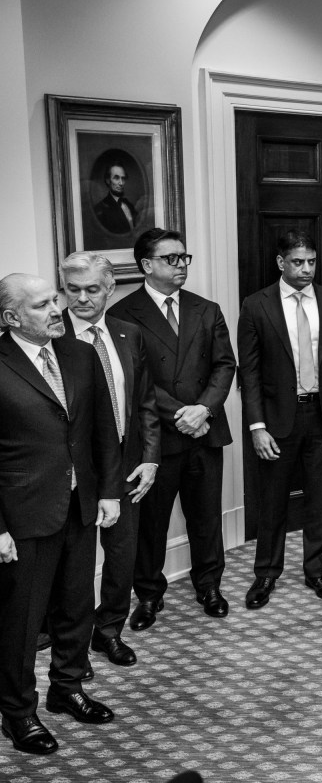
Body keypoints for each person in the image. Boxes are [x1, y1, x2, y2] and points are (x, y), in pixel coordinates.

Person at [0, 273, 122, 755]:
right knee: (22, 621)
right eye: (42, 305)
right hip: (22, 514)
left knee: (76, 606)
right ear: (12, 318)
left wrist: (109, 491)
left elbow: (102, 429)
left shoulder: (77, 353)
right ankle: (18, 713)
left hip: (80, 504)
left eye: (56, 299)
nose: (58, 309)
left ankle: (67, 689)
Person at [108, 228, 237, 627]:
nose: (181, 265)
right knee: (152, 522)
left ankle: (209, 585)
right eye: (171, 259)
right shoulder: (122, 314)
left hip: (205, 431)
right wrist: (183, 413)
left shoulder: (206, 308)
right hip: (156, 438)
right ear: (147, 265)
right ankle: (148, 595)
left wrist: (203, 409)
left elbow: (224, 365)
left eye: (184, 258)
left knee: (206, 517)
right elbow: (135, 380)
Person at [238, 231, 322, 609]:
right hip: (276, 421)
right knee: (272, 501)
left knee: (320, 499)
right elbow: (250, 373)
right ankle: (266, 575)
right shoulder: (256, 306)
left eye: (311, 262)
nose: (306, 269)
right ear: (281, 263)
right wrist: (256, 426)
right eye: (298, 262)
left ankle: (317, 571)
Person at [59, 252, 160, 670]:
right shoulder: (52, 335)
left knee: (122, 559)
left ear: (110, 289)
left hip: (127, 464)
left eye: (91, 289)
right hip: (74, 473)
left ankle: (109, 632)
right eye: (72, 289)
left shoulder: (127, 333)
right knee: (75, 568)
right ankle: (72, 645)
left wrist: (151, 458)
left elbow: (146, 403)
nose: (81, 298)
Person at [92, 163, 139, 235]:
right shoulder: (100, 209)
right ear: (108, 180)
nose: (121, 183)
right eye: (116, 178)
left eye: (123, 178)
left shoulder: (129, 205)